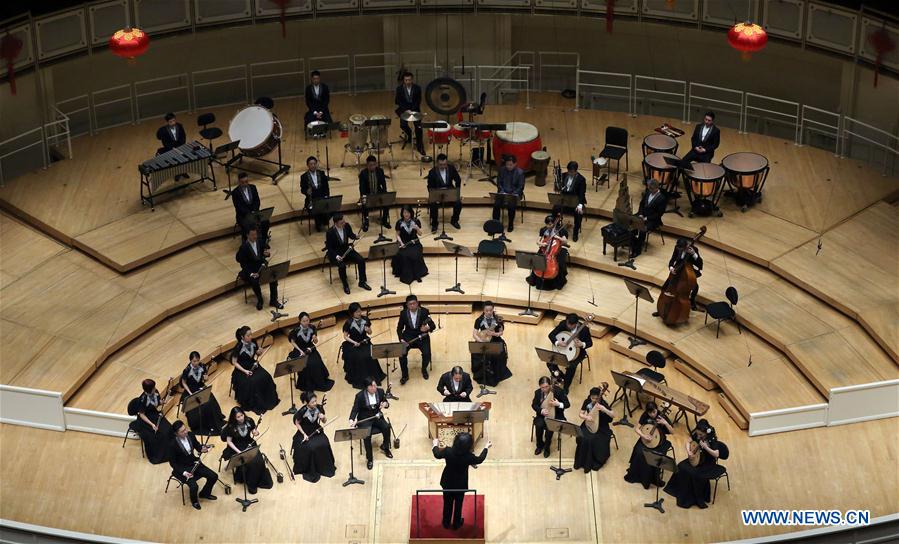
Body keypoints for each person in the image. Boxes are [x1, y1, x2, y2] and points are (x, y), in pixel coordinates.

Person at [664, 419, 730, 509]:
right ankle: (677, 491)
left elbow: (716, 454)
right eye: (697, 434)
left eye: (700, 435)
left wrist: (706, 447)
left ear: (705, 433)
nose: (698, 437)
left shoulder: (712, 439)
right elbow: (688, 442)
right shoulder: (697, 434)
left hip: (708, 462)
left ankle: (691, 499)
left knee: (693, 474)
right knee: (681, 466)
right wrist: (689, 452)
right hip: (697, 457)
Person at [432, 433, 491, 530]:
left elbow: (437, 454)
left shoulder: (448, 451)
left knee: (447, 504)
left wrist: (435, 444)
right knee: (458, 505)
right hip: (460, 485)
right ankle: (456, 524)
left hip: (447, 483)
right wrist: (486, 447)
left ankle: (446, 523)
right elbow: (480, 459)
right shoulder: (469, 457)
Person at [220, 407, 273, 494]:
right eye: (238, 417)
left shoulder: (249, 421)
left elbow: (253, 431)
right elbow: (229, 442)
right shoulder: (231, 427)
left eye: (242, 415)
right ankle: (251, 484)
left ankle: (260, 479)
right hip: (237, 446)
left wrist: (256, 432)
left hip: (249, 443)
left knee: (259, 460)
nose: (241, 418)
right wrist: (239, 452)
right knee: (250, 463)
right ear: (234, 418)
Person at [230, 326, 280, 414]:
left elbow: (256, 354)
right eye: (248, 335)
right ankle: (255, 403)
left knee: (266, 376)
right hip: (241, 370)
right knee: (252, 382)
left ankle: (267, 398)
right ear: (242, 337)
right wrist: (245, 371)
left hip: (253, 365)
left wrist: (259, 352)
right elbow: (234, 362)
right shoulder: (238, 346)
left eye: (251, 334)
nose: (250, 337)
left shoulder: (253, 342)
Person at [624, 401, 674, 489]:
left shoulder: (663, 416)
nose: (652, 414)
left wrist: (665, 423)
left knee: (653, 456)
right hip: (646, 437)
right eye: (649, 412)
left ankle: (652, 478)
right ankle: (636, 474)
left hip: (660, 441)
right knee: (638, 450)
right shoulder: (645, 415)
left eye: (654, 412)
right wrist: (644, 436)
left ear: (657, 409)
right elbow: (637, 429)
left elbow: (672, 432)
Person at [168, 420, 217, 510]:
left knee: (213, 476)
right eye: (182, 431)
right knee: (194, 486)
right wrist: (184, 472)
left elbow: (197, 446)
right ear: (176, 434)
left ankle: (204, 493)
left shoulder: (190, 435)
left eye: (185, 429)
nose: (185, 432)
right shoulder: (172, 445)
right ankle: (194, 501)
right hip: (181, 469)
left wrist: (202, 449)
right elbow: (173, 463)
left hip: (193, 462)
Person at [349, 378, 394, 470]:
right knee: (367, 435)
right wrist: (351, 419)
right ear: (367, 387)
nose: (374, 387)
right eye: (372, 386)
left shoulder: (380, 391)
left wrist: (385, 404)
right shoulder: (360, 396)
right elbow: (355, 409)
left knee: (386, 427)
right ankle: (369, 458)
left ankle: (385, 447)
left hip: (377, 416)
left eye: (375, 385)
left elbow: (386, 402)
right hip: (365, 419)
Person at [292, 391, 336, 483]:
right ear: (307, 403)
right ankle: (311, 468)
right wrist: (304, 434)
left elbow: (324, 421)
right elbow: (297, 423)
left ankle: (324, 467)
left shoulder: (319, 408)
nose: (315, 403)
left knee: (325, 443)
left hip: (316, 430)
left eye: (315, 401)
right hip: (304, 432)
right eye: (312, 402)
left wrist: (323, 417)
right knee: (311, 448)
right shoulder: (302, 411)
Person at [236, 225, 282, 311]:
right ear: (247, 235)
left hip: (261, 267)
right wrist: (251, 273)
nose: (255, 237)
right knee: (254, 281)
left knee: (273, 277)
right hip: (251, 270)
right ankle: (260, 300)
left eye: (255, 234)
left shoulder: (260, 241)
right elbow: (243, 264)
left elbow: (265, 252)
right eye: (252, 235)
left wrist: (267, 254)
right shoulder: (244, 247)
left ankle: (273, 300)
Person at [127, 378, 172, 464]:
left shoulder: (155, 392)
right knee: (157, 435)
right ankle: (160, 455)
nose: (155, 388)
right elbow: (142, 414)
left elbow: (158, 402)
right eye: (153, 387)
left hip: (154, 414)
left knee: (168, 429)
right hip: (145, 420)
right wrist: (152, 425)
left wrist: (165, 399)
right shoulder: (142, 399)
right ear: (149, 389)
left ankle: (170, 452)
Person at [341, 302, 386, 388]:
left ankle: (373, 376)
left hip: (364, 341)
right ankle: (361, 378)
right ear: (352, 313)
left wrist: (368, 330)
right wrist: (354, 342)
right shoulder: (348, 322)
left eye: (360, 311)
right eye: (357, 312)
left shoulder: (365, 319)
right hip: (353, 343)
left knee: (371, 355)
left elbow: (370, 332)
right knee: (360, 358)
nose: (359, 313)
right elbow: (345, 336)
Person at [180, 351, 225, 436]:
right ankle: (199, 423)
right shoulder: (187, 370)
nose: (196, 363)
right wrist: (190, 393)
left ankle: (214, 420)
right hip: (190, 390)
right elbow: (184, 383)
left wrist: (206, 378)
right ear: (190, 361)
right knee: (197, 405)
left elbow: (204, 379)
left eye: (197, 360)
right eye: (194, 361)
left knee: (210, 401)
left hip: (200, 387)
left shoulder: (202, 366)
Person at [325, 213, 371, 295]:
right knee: (342, 266)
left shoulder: (346, 226)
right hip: (335, 252)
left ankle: (362, 282)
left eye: (344, 221)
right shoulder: (330, 232)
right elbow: (329, 248)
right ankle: (345, 285)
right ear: (336, 223)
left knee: (361, 260)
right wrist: (336, 256)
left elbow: (351, 235)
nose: (344, 223)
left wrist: (355, 236)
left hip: (346, 249)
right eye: (341, 223)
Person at [288, 312, 334, 392]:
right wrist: (300, 351)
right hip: (299, 349)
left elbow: (315, 342)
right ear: (300, 321)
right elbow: (292, 342)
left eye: (307, 320)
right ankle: (307, 383)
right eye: (304, 321)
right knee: (306, 364)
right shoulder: (295, 331)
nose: (306, 323)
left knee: (315, 362)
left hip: (310, 348)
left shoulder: (312, 327)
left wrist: (315, 338)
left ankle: (318, 381)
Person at [546, 313, 593, 392]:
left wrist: (582, 344)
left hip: (578, 353)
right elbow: (551, 335)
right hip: (563, 350)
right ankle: (560, 376)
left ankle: (566, 387)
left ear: (577, 323)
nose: (569, 326)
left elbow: (590, 343)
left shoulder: (584, 329)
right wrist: (558, 342)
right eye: (568, 324)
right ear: (566, 320)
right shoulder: (563, 324)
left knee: (571, 367)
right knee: (550, 362)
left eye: (572, 325)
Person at [573, 386, 614, 473]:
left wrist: (604, 409)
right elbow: (581, 414)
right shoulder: (587, 401)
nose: (594, 400)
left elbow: (612, 415)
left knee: (592, 439)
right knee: (582, 436)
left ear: (600, 396)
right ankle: (581, 460)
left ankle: (594, 460)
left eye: (596, 398)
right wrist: (586, 417)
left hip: (602, 426)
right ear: (590, 396)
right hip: (589, 422)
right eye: (592, 398)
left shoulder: (603, 403)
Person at [470, 302, 512, 386]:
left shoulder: (497, 319)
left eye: (490, 310)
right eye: (487, 310)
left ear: (493, 309)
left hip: (496, 340)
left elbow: (501, 332)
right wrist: (481, 341)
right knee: (477, 351)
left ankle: (495, 374)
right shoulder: (478, 320)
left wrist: (495, 334)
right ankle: (481, 373)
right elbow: (474, 334)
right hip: (483, 340)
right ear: (483, 310)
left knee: (496, 354)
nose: (489, 312)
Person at [396, 294, 436, 384]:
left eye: (414, 303)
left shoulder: (425, 312)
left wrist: (427, 328)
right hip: (408, 336)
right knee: (401, 354)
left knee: (427, 354)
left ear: (417, 303)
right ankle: (405, 375)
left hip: (422, 336)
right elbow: (399, 328)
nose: (412, 306)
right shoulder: (403, 313)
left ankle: (423, 369)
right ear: (407, 305)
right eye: (410, 304)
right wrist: (401, 339)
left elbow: (433, 325)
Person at [656, 237, 703, 311]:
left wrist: (694, 254)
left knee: (695, 287)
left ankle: (692, 301)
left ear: (686, 246)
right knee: (664, 287)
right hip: (677, 270)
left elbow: (700, 265)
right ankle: (661, 309)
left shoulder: (694, 250)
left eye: (682, 249)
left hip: (688, 271)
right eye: (679, 248)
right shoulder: (677, 248)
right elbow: (673, 259)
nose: (680, 250)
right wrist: (671, 267)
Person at [527, 214, 569, 291]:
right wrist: (541, 244)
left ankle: (558, 282)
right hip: (545, 249)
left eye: (551, 224)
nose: (549, 226)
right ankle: (536, 279)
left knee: (560, 262)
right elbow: (538, 241)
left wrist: (557, 237)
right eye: (547, 224)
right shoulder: (543, 230)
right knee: (537, 259)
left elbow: (565, 241)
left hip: (558, 249)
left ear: (554, 223)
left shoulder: (560, 229)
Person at [532, 376, 569, 458]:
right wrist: (541, 410)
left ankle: (547, 447)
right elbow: (534, 405)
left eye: (546, 387)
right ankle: (539, 445)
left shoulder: (559, 391)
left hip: (556, 415)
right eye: (542, 387)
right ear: (539, 386)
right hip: (542, 415)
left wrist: (558, 404)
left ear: (550, 385)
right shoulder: (537, 393)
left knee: (550, 428)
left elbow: (567, 404)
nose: (544, 389)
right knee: (539, 425)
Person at [630, 179, 668, 259]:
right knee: (631, 221)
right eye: (649, 188)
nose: (649, 190)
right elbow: (641, 204)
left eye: (651, 189)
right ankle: (633, 242)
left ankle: (637, 250)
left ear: (656, 188)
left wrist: (646, 218)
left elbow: (659, 214)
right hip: (642, 215)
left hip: (653, 220)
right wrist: (640, 214)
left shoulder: (662, 198)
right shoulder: (648, 192)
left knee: (643, 229)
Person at [391, 205, 428, 284]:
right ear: (402, 213)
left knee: (416, 254)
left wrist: (417, 228)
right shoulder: (399, 223)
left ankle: (417, 275)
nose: (406, 214)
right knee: (404, 255)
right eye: (404, 212)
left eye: (408, 212)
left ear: (411, 213)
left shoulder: (416, 221)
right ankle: (407, 276)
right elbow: (397, 235)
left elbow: (420, 234)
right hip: (403, 242)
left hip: (414, 242)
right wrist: (401, 243)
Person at [426, 154, 462, 232]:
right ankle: (434, 223)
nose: (443, 166)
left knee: (458, 202)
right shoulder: (432, 172)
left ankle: (454, 220)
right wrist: (434, 195)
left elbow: (458, 180)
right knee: (433, 203)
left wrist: (457, 192)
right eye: (441, 165)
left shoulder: (451, 168)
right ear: (437, 163)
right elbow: (429, 187)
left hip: (449, 192)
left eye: (444, 164)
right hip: (437, 192)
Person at [394, 71, 426, 156]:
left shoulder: (417, 88)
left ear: (412, 80)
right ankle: (410, 135)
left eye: (409, 80)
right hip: (404, 109)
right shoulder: (399, 89)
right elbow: (398, 101)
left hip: (415, 109)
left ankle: (420, 147)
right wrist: (405, 110)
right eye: (406, 80)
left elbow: (418, 100)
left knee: (418, 128)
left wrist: (412, 110)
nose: (408, 82)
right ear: (404, 80)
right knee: (403, 125)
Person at [492, 155, 525, 232]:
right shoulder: (501, 170)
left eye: (510, 165)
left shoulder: (520, 173)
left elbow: (521, 187)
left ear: (515, 164)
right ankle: (495, 224)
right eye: (507, 164)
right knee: (496, 204)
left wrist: (513, 194)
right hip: (503, 192)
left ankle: (510, 224)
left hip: (514, 194)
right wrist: (502, 191)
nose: (508, 166)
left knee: (511, 206)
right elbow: (499, 183)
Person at [232, 172, 269, 241]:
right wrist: (249, 213)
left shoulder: (253, 187)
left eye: (246, 181)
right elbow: (238, 206)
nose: (245, 184)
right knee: (247, 225)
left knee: (265, 221)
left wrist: (254, 211)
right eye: (243, 182)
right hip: (243, 215)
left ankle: (263, 241)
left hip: (254, 212)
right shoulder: (235, 192)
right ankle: (248, 242)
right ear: (239, 182)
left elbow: (257, 201)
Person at [358, 155, 390, 232]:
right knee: (364, 203)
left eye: (373, 165)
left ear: (376, 164)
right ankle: (366, 222)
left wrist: (385, 194)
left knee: (387, 202)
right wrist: (363, 196)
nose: (372, 167)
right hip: (368, 194)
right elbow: (361, 187)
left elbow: (383, 183)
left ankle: (384, 220)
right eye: (370, 165)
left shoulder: (380, 171)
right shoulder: (363, 173)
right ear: (367, 165)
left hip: (378, 192)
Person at [558, 161, 587, 242]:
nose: (569, 173)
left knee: (578, 213)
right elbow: (558, 187)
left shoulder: (581, 179)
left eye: (571, 172)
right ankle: (557, 228)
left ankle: (575, 233)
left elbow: (582, 193)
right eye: (568, 171)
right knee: (555, 208)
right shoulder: (563, 175)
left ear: (575, 171)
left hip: (575, 201)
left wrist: (580, 204)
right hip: (565, 200)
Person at [300, 156, 331, 232]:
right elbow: (302, 189)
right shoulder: (304, 177)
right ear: (308, 165)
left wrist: (327, 196)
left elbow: (326, 187)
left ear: (316, 164)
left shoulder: (321, 173)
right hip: (311, 199)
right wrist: (306, 191)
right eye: (311, 164)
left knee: (333, 206)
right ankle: (319, 224)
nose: (313, 165)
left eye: (314, 163)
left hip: (322, 197)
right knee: (316, 209)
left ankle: (323, 221)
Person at [155, 113, 187, 179]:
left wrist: (180, 147)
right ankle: (177, 173)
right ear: (167, 122)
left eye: (174, 121)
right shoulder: (164, 131)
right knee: (175, 159)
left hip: (180, 146)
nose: (173, 123)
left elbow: (183, 137)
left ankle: (183, 171)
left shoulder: (179, 126)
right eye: (171, 122)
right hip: (170, 148)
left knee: (184, 157)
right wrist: (173, 149)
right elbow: (165, 142)